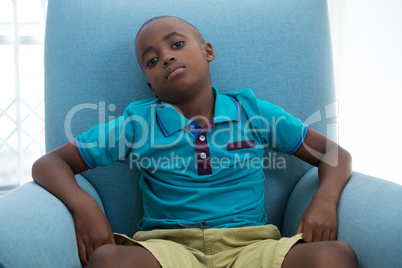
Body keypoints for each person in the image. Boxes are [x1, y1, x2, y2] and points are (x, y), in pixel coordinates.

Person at [32, 16, 358, 268]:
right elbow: (49, 164)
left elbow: (333, 154)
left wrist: (325, 201)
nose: (166, 58)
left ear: (208, 51)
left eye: (176, 45)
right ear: (150, 85)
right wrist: (82, 205)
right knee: (108, 260)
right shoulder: (137, 122)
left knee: (334, 255)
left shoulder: (252, 112)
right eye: (151, 60)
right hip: (168, 249)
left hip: (251, 247)